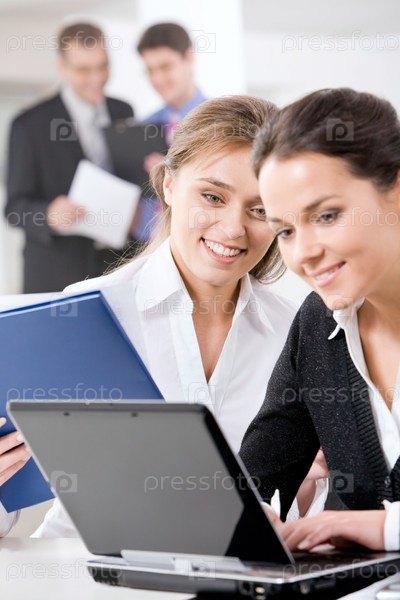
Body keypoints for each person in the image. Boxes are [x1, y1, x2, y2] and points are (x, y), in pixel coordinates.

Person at [0, 95, 325, 538]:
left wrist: (304, 490)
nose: (233, 228)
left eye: (260, 209)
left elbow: (297, 514)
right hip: (82, 568)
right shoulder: (81, 314)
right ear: (168, 186)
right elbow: (10, 508)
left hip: (235, 569)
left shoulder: (297, 333)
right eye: (212, 196)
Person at [240, 87, 400, 552]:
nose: (304, 253)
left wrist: (384, 529)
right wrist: (244, 518)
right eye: (285, 231)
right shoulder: (318, 323)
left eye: (327, 216)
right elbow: (257, 476)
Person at [5, 22, 134, 293]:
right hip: (58, 274)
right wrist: (48, 215)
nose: (96, 78)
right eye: (84, 70)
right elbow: (14, 210)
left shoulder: (123, 111)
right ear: (62, 67)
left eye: (103, 66)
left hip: (119, 267)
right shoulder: (29, 125)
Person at [132, 22, 207, 243]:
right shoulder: (143, 126)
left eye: (165, 67)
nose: (157, 79)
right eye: (150, 70)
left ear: (189, 57)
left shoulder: (218, 123)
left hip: (197, 243)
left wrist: (174, 175)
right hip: (146, 248)